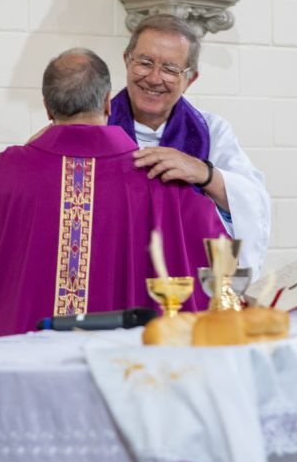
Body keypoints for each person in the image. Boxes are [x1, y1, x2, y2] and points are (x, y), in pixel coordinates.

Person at [0, 49, 222, 341]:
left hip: (30, 356)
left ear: (47, 107)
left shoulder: (9, 171)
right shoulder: (158, 177)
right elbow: (217, 246)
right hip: (121, 358)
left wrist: (26, 152)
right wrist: (207, 175)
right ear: (108, 101)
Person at [109, 15, 271, 277]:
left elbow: (254, 204)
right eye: (145, 63)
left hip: (187, 282)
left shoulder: (212, 132)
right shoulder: (94, 126)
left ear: (190, 79)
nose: (154, 78)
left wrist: (204, 173)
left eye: (170, 69)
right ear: (127, 61)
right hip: (114, 274)